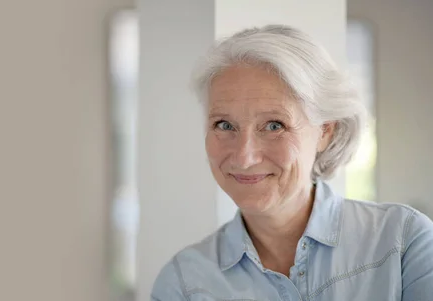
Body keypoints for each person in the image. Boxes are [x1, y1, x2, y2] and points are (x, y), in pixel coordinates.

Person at [150, 24, 433, 300]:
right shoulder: (183, 284)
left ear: (325, 131)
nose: (245, 157)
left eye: (274, 125)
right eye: (224, 125)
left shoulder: (403, 242)